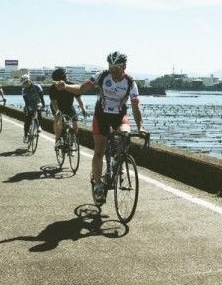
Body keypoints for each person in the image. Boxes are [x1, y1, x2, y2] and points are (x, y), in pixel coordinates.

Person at [55, 51, 147, 205]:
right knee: (99, 150)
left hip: (119, 116)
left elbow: (136, 108)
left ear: (124, 66)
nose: (113, 69)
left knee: (125, 135)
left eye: (117, 66)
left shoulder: (131, 83)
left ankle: (119, 163)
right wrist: (65, 87)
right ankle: (98, 185)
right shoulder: (102, 76)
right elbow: (80, 89)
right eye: (111, 65)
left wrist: (141, 127)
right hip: (101, 116)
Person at [49, 67, 88, 147]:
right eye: (55, 82)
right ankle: (58, 139)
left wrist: (83, 108)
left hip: (69, 106)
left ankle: (73, 140)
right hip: (57, 107)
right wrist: (57, 111)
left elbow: (79, 99)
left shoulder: (71, 86)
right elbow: (54, 102)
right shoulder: (52, 88)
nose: (56, 84)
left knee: (75, 123)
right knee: (58, 120)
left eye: (58, 82)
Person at [20, 74, 46, 144]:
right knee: (27, 120)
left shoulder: (37, 87)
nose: (26, 84)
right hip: (29, 104)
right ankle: (25, 135)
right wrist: (28, 107)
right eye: (24, 83)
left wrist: (43, 105)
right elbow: (26, 101)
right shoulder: (24, 90)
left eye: (27, 82)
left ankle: (39, 126)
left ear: (30, 80)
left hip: (38, 103)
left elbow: (42, 98)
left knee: (39, 111)